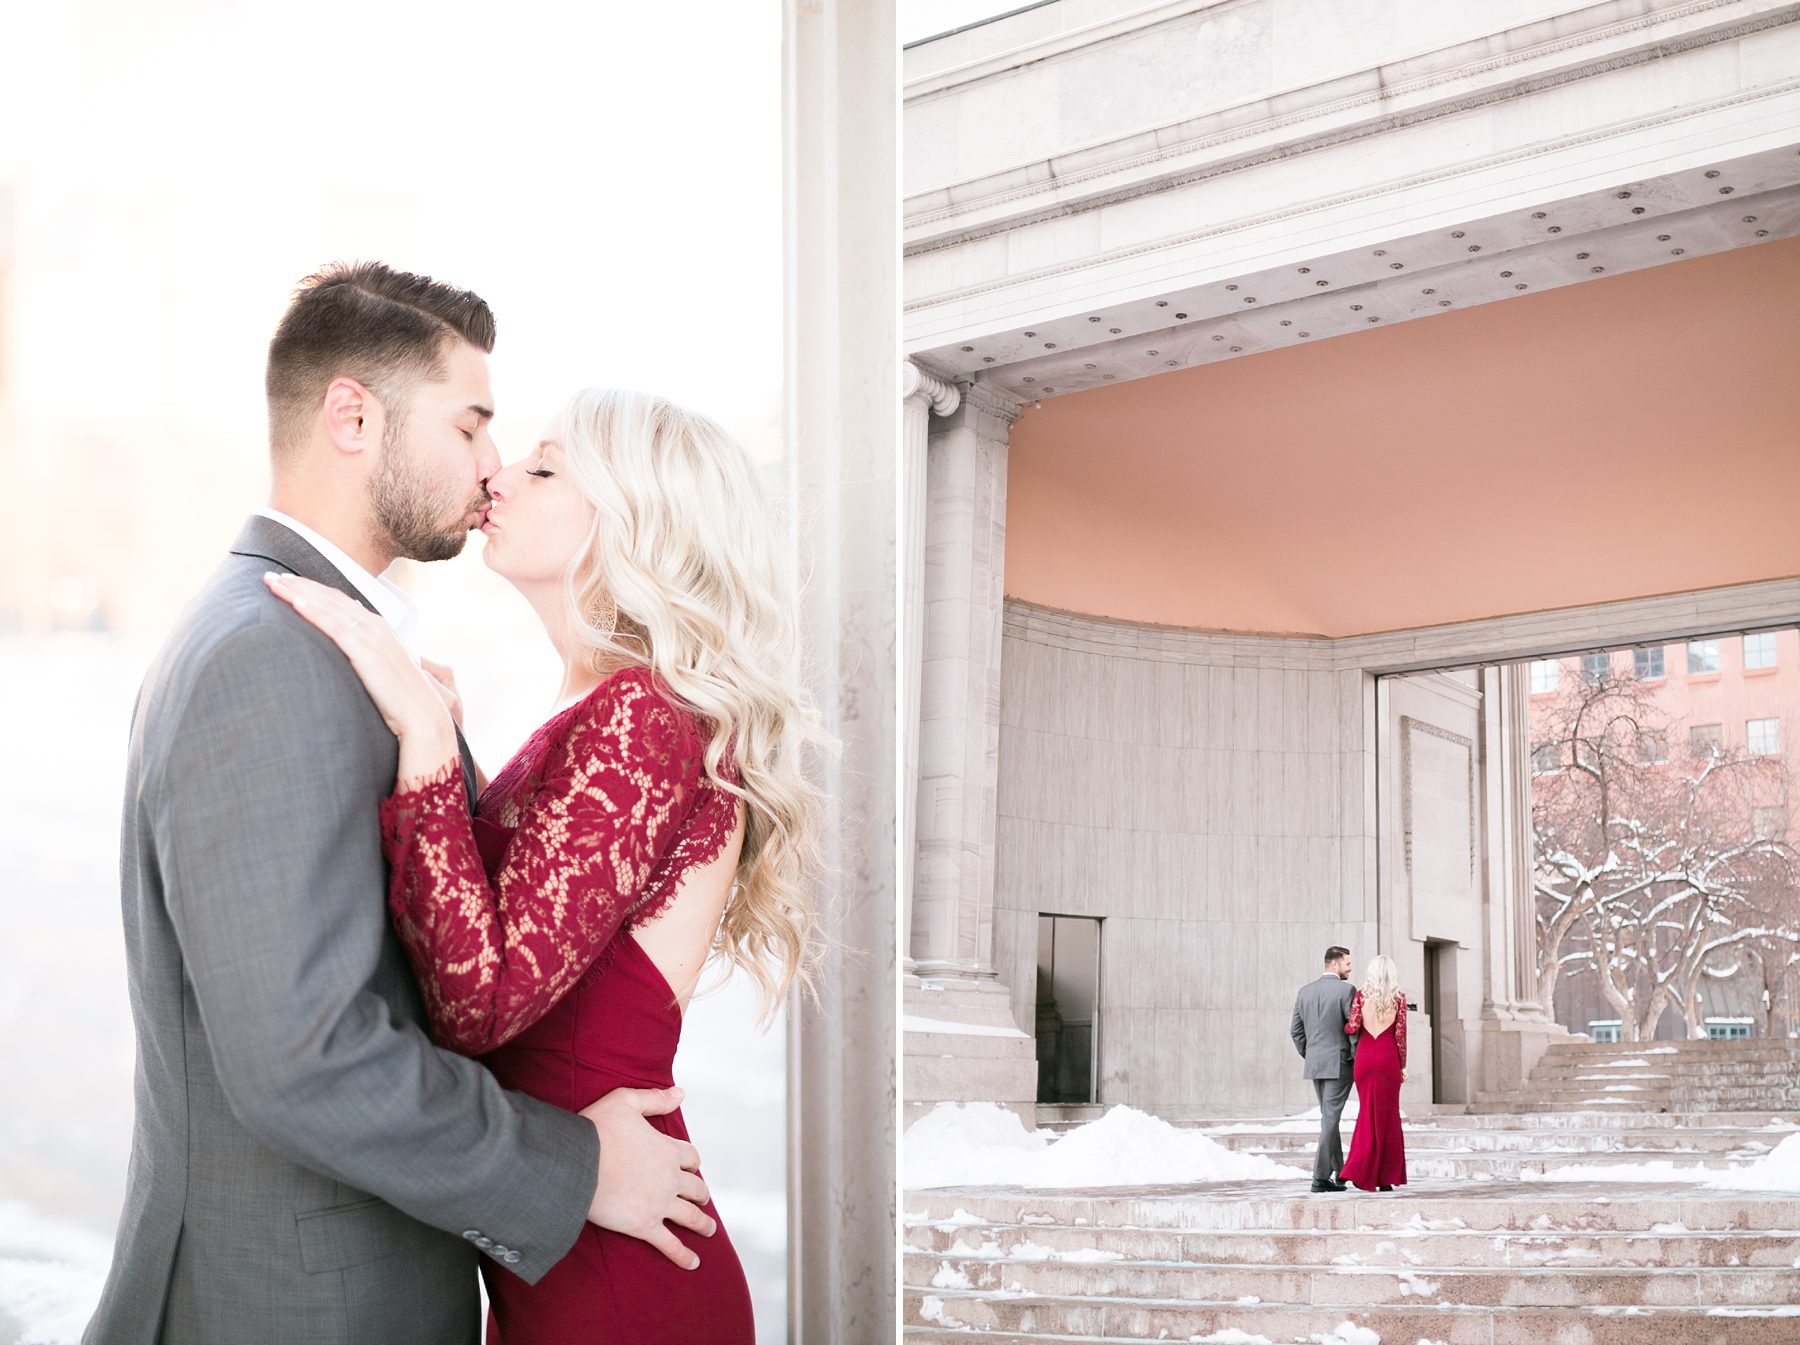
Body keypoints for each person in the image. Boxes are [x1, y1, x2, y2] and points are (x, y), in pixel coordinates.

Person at [87, 264, 717, 1345]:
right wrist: (572, 1165)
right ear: (352, 416)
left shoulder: (322, 643)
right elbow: (305, 1054)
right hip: (295, 1309)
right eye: (471, 425)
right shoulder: (265, 657)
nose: (491, 466)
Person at [267, 382, 824, 1343]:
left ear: (632, 521)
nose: (500, 476)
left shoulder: (643, 716)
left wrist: (427, 747)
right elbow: (528, 918)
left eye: (546, 467)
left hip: (618, 1286)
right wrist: (451, 749)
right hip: (573, 1255)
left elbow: (480, 1003)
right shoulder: (609, 711)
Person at [1290, 945, 1356, 1193]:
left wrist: (1310, 1054)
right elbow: (1353, 1029)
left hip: (1315, 1063)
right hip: (1340, 1063)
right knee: (1330, 1118)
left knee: (1329, 1117)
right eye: (1347, 963)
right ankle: (1319, 1178)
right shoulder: (1347, 990)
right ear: (1334, 964)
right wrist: (1355, 1057)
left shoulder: (1305, 991)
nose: (1350, 968)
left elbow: (1295, 1031)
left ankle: (1340, 1172)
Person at [1340, 953, 1409, 1193]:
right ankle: (1385, 1179)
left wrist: (1340, 1025)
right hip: (1388, 1057)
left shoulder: (1361, 996)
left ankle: (1359, 1171)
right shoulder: (1399, 998)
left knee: (1367, 1114)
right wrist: (1402, 1066)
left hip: (1366, 1057)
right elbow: (1400, 1037)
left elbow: (1352, 1027)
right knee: (1389, 1117)